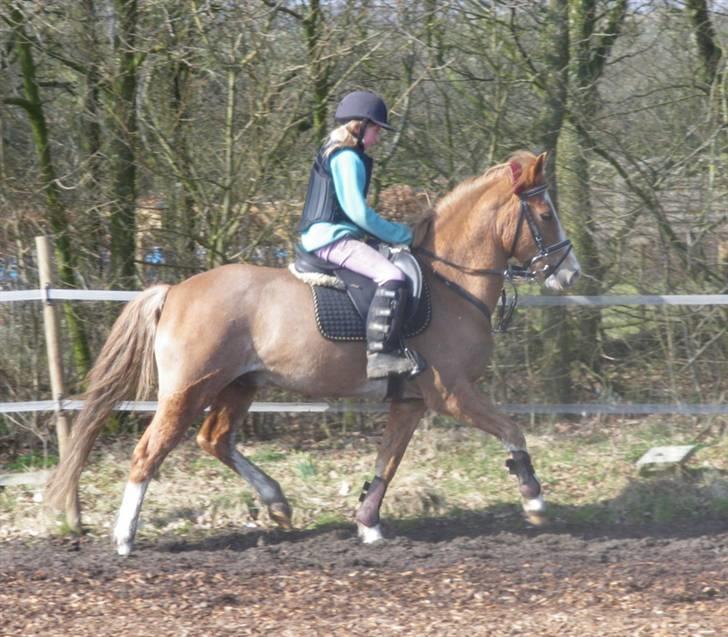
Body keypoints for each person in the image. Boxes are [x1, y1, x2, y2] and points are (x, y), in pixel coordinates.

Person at [298, 90, 423, 379]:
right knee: (392, 276)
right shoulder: (348, 158)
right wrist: (401, 234)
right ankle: (380, 354)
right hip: (333, 239)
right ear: (361, 125)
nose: (378, 136)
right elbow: (359, 214)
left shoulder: (333, 150)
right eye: (377, 128)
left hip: (324, 235)